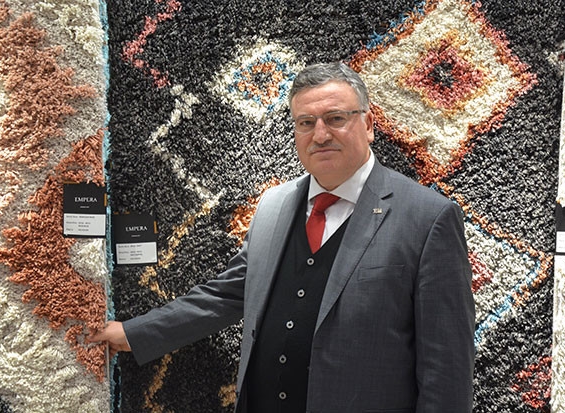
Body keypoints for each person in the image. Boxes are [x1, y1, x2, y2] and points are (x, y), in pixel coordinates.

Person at [89, 62, 475, 412]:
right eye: (306, 123)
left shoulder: (429, 218)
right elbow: (226, 295)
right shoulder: (273, 206)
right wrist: (133, 334)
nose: (320, 134)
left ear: (369, 124)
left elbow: (447, 372)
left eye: (335, 118)